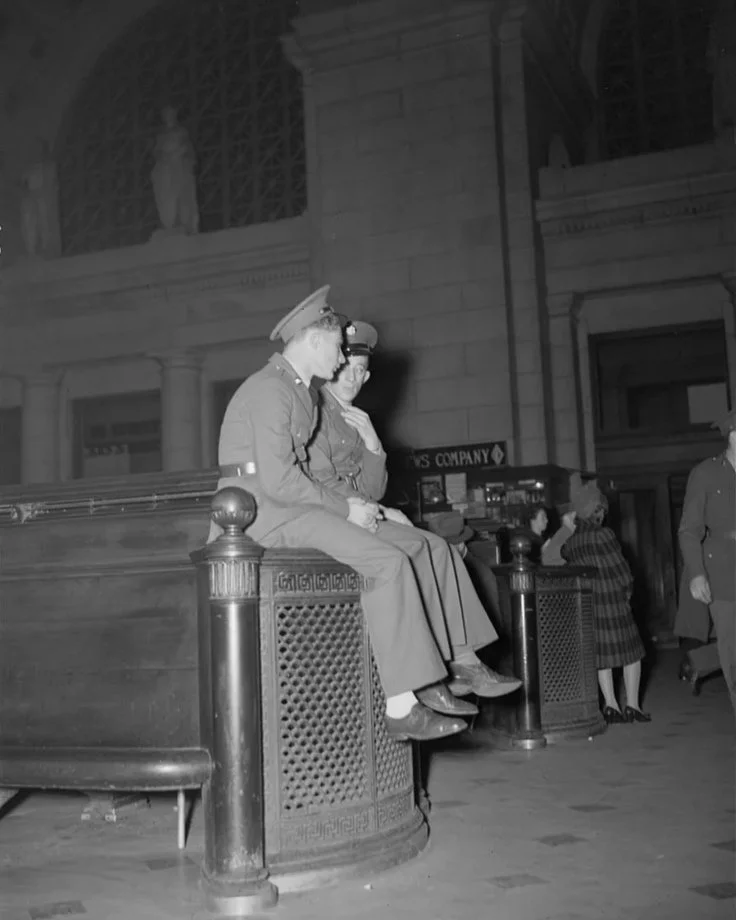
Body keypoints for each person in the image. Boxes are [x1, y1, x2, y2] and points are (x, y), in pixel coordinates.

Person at [212, 287, 484, 744]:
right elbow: (279, 480)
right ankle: (403, 706)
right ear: (314, 339)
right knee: (388, 562)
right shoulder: (271, 389)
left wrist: (354, 507)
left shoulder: (294, 390)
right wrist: (347, 509)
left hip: (284, 507)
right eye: (338, 347)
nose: (341, 359)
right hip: (261, 513)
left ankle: (419, 688)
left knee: (394, 556)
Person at [307, 319, 521, 702]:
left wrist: (374, 446)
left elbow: (372, 488)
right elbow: (322, 482)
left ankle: (465, 660)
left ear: (367, 376)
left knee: (441, 548)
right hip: (337, 518)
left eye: (359, 371)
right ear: (332, 365)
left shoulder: (356, 418)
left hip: (360, 513)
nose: (351, 378)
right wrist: (381, 512)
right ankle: (441, 667)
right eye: (345, 368)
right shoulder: (315, 411)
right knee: (421, 547)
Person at [559, 474, 650, 725]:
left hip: (589, 605)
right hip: (612, 602)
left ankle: (610, 705)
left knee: (602, 657)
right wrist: (628, 592)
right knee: (632, 654)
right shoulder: (604, 535)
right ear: (597, 511)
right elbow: (622, 571)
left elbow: (559, 554)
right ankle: (633, 706)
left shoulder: (571, 543)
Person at [678, 409, 736, 714]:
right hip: (724, 575)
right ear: (733, 436)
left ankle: (700, 661)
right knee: (733, 650)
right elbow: (689, 530)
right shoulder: (706, 473)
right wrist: (697, 573)